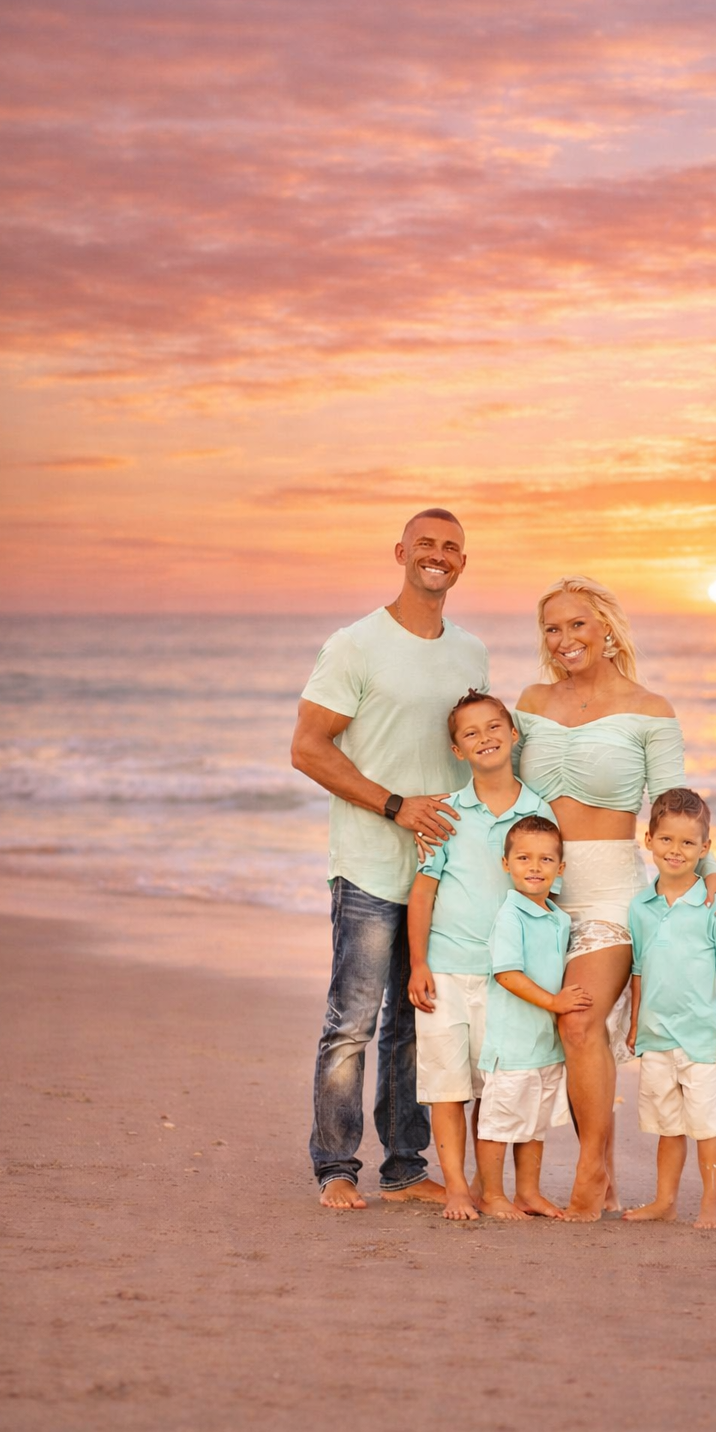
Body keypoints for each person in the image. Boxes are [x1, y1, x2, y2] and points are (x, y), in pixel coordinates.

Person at [515, 576, 716, 1222]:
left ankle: (590, 1173)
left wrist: (713, 872)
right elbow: (501, 782)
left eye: (577, 625)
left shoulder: (650, 709)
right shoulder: (530, 701)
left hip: (612, 893)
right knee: (545, 1035)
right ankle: (604, 1177)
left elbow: (675, 805)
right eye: (552, 629)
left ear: (606, 629)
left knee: (579, 1021)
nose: (564, 640)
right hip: (540, 893)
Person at [291, 509, 489, 1210]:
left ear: (463, 562)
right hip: (372, 864)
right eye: (426, 545)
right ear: (401, 553)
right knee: (353, 1021)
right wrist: (396, 805)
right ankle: (336, 1166)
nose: (438, 556)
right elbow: (309, 748)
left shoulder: (471, 652)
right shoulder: (356, 644)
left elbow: (481, 745)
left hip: (444, 872)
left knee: (418, 1020)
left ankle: (404, 1168)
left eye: (451, 548)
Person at [407, 691, 557, 1221]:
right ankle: (454, 1187)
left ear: (514, 735)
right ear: (457, 750)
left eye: (495, 727)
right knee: (448, 1084)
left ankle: (495, 1186)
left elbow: (548, 892)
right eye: (471, 733)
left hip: (509, 978)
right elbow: (423, 891)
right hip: (447, 970)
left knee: (503, 1084)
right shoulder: (446, 813)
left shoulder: (539, 811)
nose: (485, 738)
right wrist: (419, 963)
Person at [623, 788, 716, 1229]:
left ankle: (712, 1203)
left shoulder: (714, 906)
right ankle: (665, 1200)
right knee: (667, 1125)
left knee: (708, 1126)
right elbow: (639, 969)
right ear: (649, 840)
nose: (676, 851)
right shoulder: (640, 906)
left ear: (705, 849)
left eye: (688, 843)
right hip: (657, 1035)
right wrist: (636, 1021)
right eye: (667, 840)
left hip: (702, 1037)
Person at [474, 816, 592, 1220]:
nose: (534, 867)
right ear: (506, 864)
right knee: (499, 1124)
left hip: (544, 1046)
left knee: (533, 1126)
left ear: (560, 868)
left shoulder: (558, 919)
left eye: (545, 859)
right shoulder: (511, 916)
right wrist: (555, 1003)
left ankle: (528, 1192)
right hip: (512, 1045)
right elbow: (507, 974)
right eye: (523, 858)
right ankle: (492, 1194)